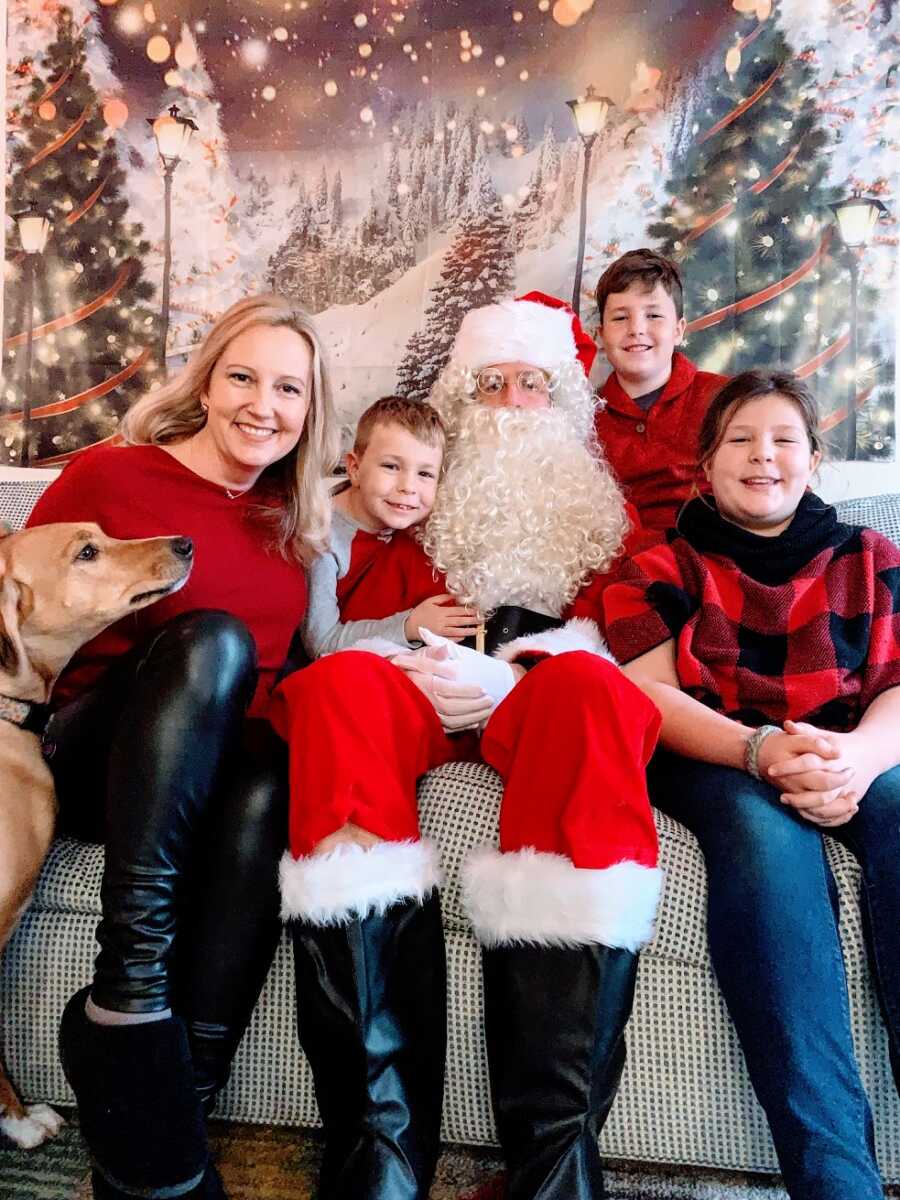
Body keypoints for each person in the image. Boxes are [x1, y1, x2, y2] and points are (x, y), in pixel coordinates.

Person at [270, 296, 664, 1200]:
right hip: (420, 691)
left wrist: (522, 673)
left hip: (543, 699)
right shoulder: (415, 511)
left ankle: (555, 1163)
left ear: (564, 401)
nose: (514, 403)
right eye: (491, 385)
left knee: (593, 694)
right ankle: (381, 1145)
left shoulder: (607, 524)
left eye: (533, 384)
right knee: (334, 689)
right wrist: (412, 656)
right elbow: (339, 616)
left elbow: (630, 639)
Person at [26, 294, 339, 1200]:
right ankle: (126, 980)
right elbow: (20, 603)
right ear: (207, 383)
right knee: (215, 638)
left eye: (290, 388)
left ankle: (176, 1105)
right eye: (243, 376)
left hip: (212, 778)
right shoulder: (113, 477)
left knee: (270, 768)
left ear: (311, 411)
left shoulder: (296, 516)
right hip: (93, 758)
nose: (263, 404)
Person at [604, 369, 900, 1200]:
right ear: (705, 466)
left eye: (783, 439)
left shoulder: (872, 557)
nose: (762, 455)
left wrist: (863, 760)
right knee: (768, 844)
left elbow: (897, 691)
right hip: (718, 757)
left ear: (813, 460)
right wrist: (761, 751)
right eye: (739, 439)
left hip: (851, 747)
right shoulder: (658, 564)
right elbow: (647, 693)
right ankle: (836, 1181)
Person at [301, 394, 478, 659]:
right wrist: (410, 626)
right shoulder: (322, 539)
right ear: (355, 468)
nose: (408, 487)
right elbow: (322, 642)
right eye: (391, 466)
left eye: (425, 474)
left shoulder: (412, 519)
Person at [593, 248, 727, 546]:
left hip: (716, 558)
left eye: (653, 315)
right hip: (624, 568)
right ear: (600, 334)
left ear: (679, 329)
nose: (636, 329)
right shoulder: (584, 419)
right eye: (620, 318)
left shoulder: (726, 400)